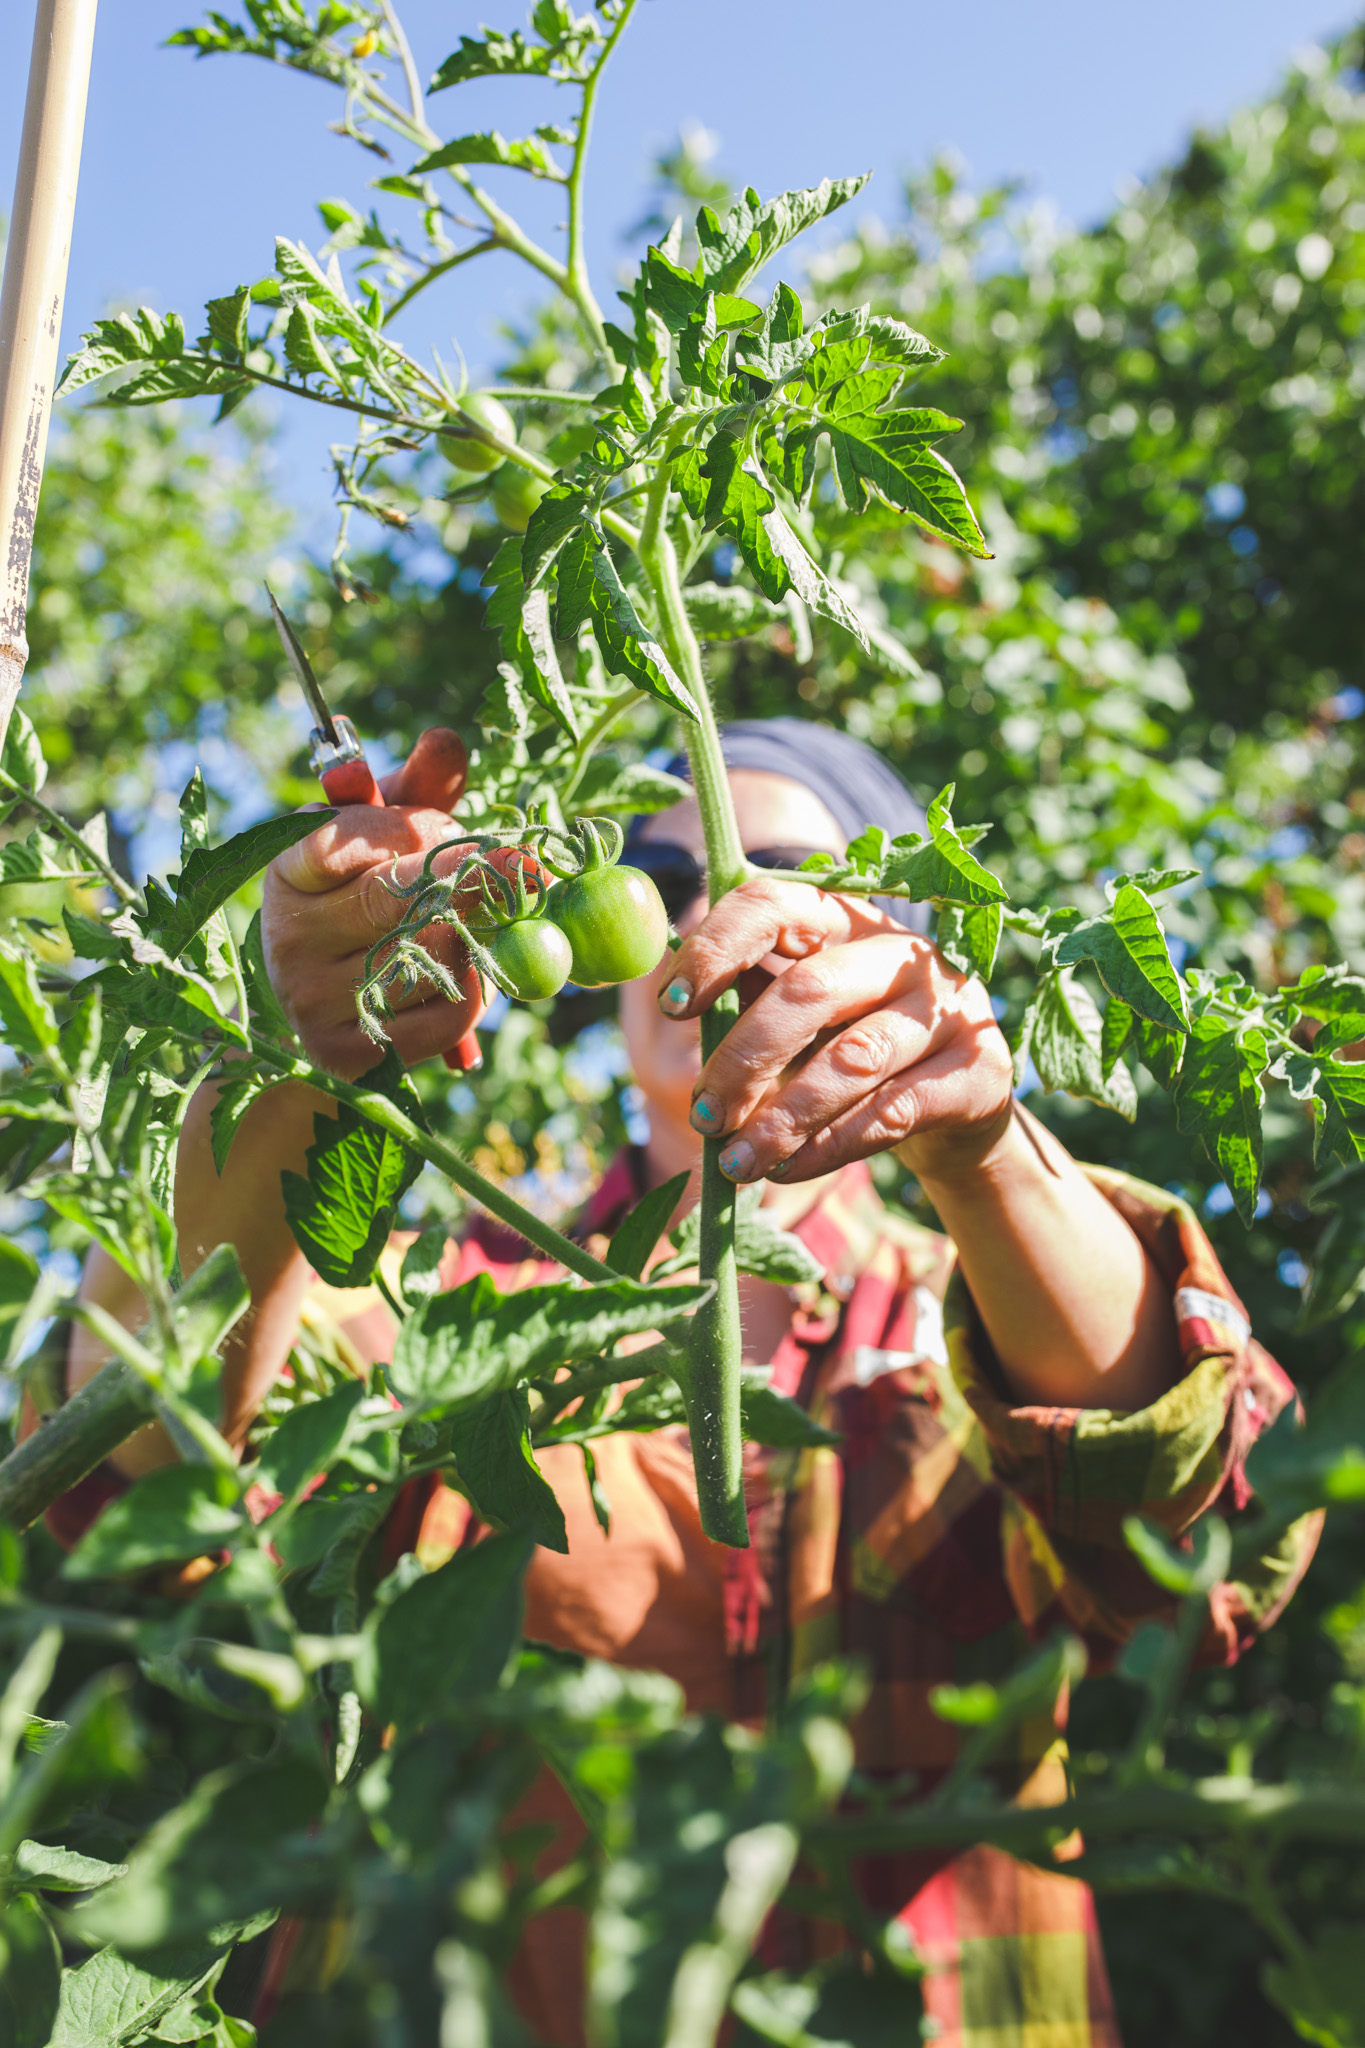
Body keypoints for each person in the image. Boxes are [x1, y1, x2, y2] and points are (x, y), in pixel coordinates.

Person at [62, 717, 1318, 2046]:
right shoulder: (447, 1312)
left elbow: (1224, 1531)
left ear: (901, 945)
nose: (711, 911)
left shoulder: (980, 1307)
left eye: (784, 871)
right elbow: (134, 1469)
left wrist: (987, 1153)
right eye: (658, 881)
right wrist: (299, 1057)